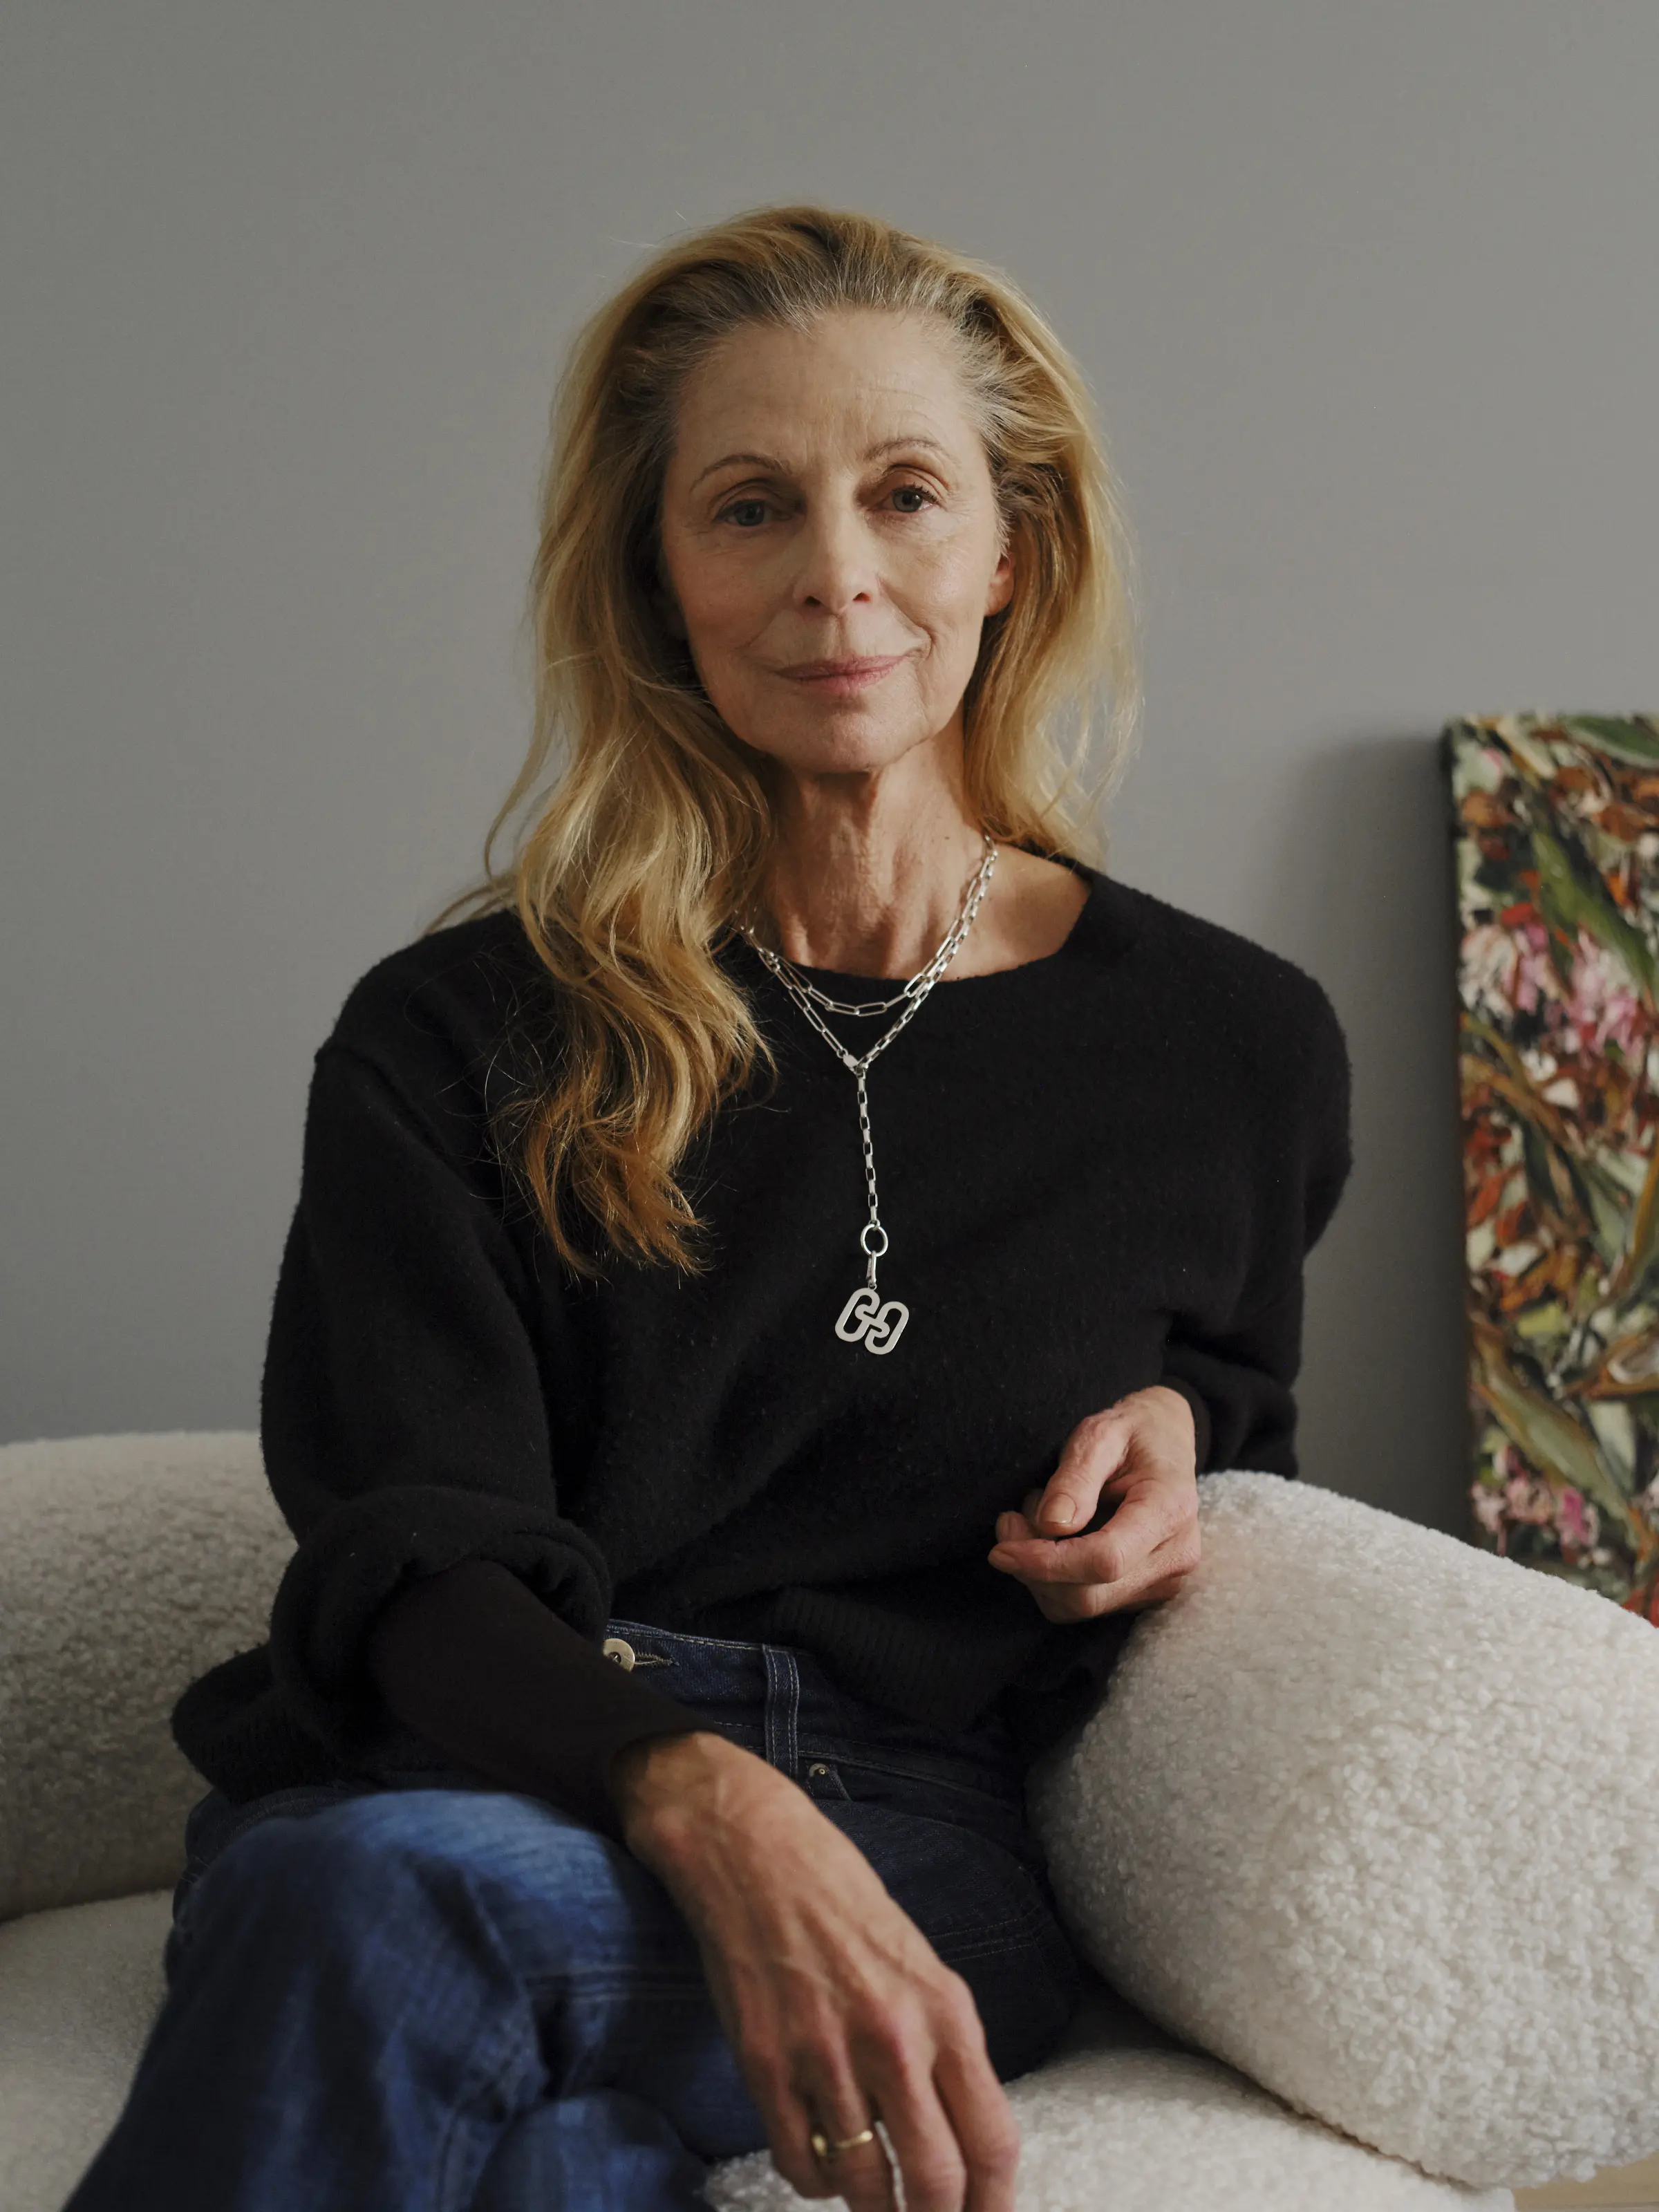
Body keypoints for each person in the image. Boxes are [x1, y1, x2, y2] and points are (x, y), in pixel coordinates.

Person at [65, 204, 1352, 2212]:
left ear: (1009, 548)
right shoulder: (456, 1035)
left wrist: (1187, 1438)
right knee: (506, 2085)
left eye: (906, 495)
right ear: (659, 582)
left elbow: (1236, 1386)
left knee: (392, 1928)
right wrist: (697, 1797)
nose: (839, 576)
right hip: (479, 1777)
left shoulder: (1232, 1044)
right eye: (750, 508)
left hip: (917, 1827)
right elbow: (413, 1559)